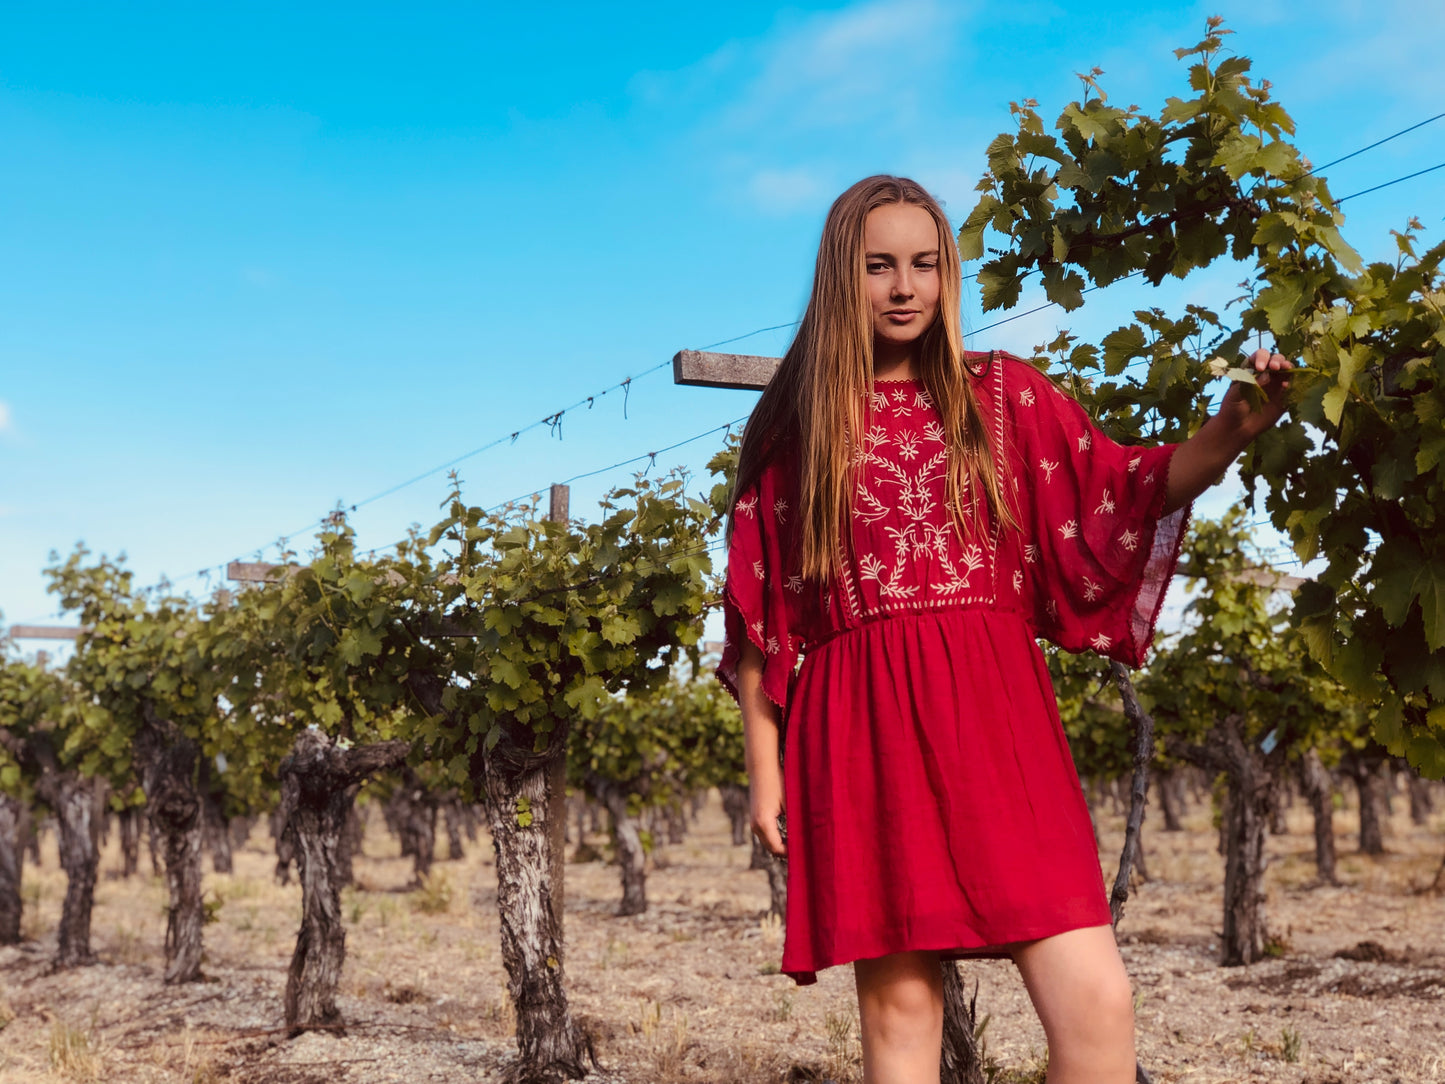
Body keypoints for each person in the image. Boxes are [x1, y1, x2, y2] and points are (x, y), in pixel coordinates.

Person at [717, 175, 1291, 1084]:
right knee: (901, 1018)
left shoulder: (1005, 397)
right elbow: (759, 621)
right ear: (841, 277)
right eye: (878, 266)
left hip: (997, 719)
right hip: (860, 727)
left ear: (947, 278)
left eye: (924, 265)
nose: (903, 287)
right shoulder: (800, 426)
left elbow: (1123, 489)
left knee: (1099, 1006)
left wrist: (1226, 436)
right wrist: (764, 775)